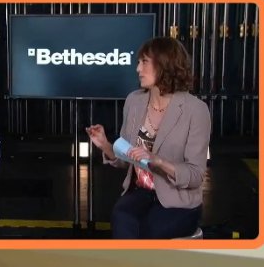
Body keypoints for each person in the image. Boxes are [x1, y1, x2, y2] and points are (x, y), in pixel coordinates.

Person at [86, 37, 210, 239]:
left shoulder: (195, 110)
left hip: (178, 199)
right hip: (141, 192)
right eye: (138, 62)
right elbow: (127, 158)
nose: (138, 69)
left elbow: (195, 175)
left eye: (144, 62)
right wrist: (106, 145)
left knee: (151, 229)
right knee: (121, 217)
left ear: (165, 65)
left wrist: (159, 161)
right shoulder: (134, 101)